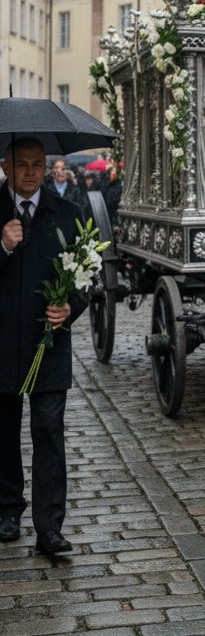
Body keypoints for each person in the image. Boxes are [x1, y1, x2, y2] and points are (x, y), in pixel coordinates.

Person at [0, 138, 87, 556]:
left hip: (49, 347)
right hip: (1, 345)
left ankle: (50, 527)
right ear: (6, 166)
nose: (31, 172)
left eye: (38, 164)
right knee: (3, 432)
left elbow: (88, 275)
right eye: (22, 165)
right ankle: (7, 510)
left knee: (48, 431)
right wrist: (2, 247)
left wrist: (70, 307)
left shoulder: (67, 214)